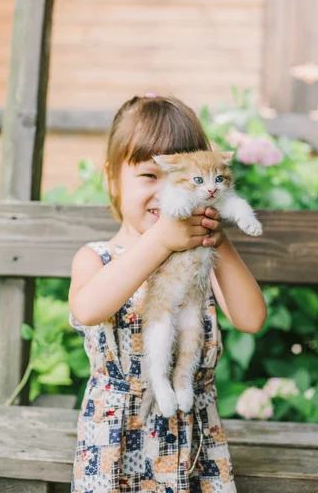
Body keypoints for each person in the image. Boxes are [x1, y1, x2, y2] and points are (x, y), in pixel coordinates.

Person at [69, 94, 267, 493]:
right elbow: (88, 309)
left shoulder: (203, 259)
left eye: (182, 175)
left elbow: (251, 318)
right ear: (112, 178)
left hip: (194, 444)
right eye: (148, 175)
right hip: (117, 446)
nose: (164, 193)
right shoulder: (99, 258)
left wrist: (218, 239)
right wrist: (161, 241)